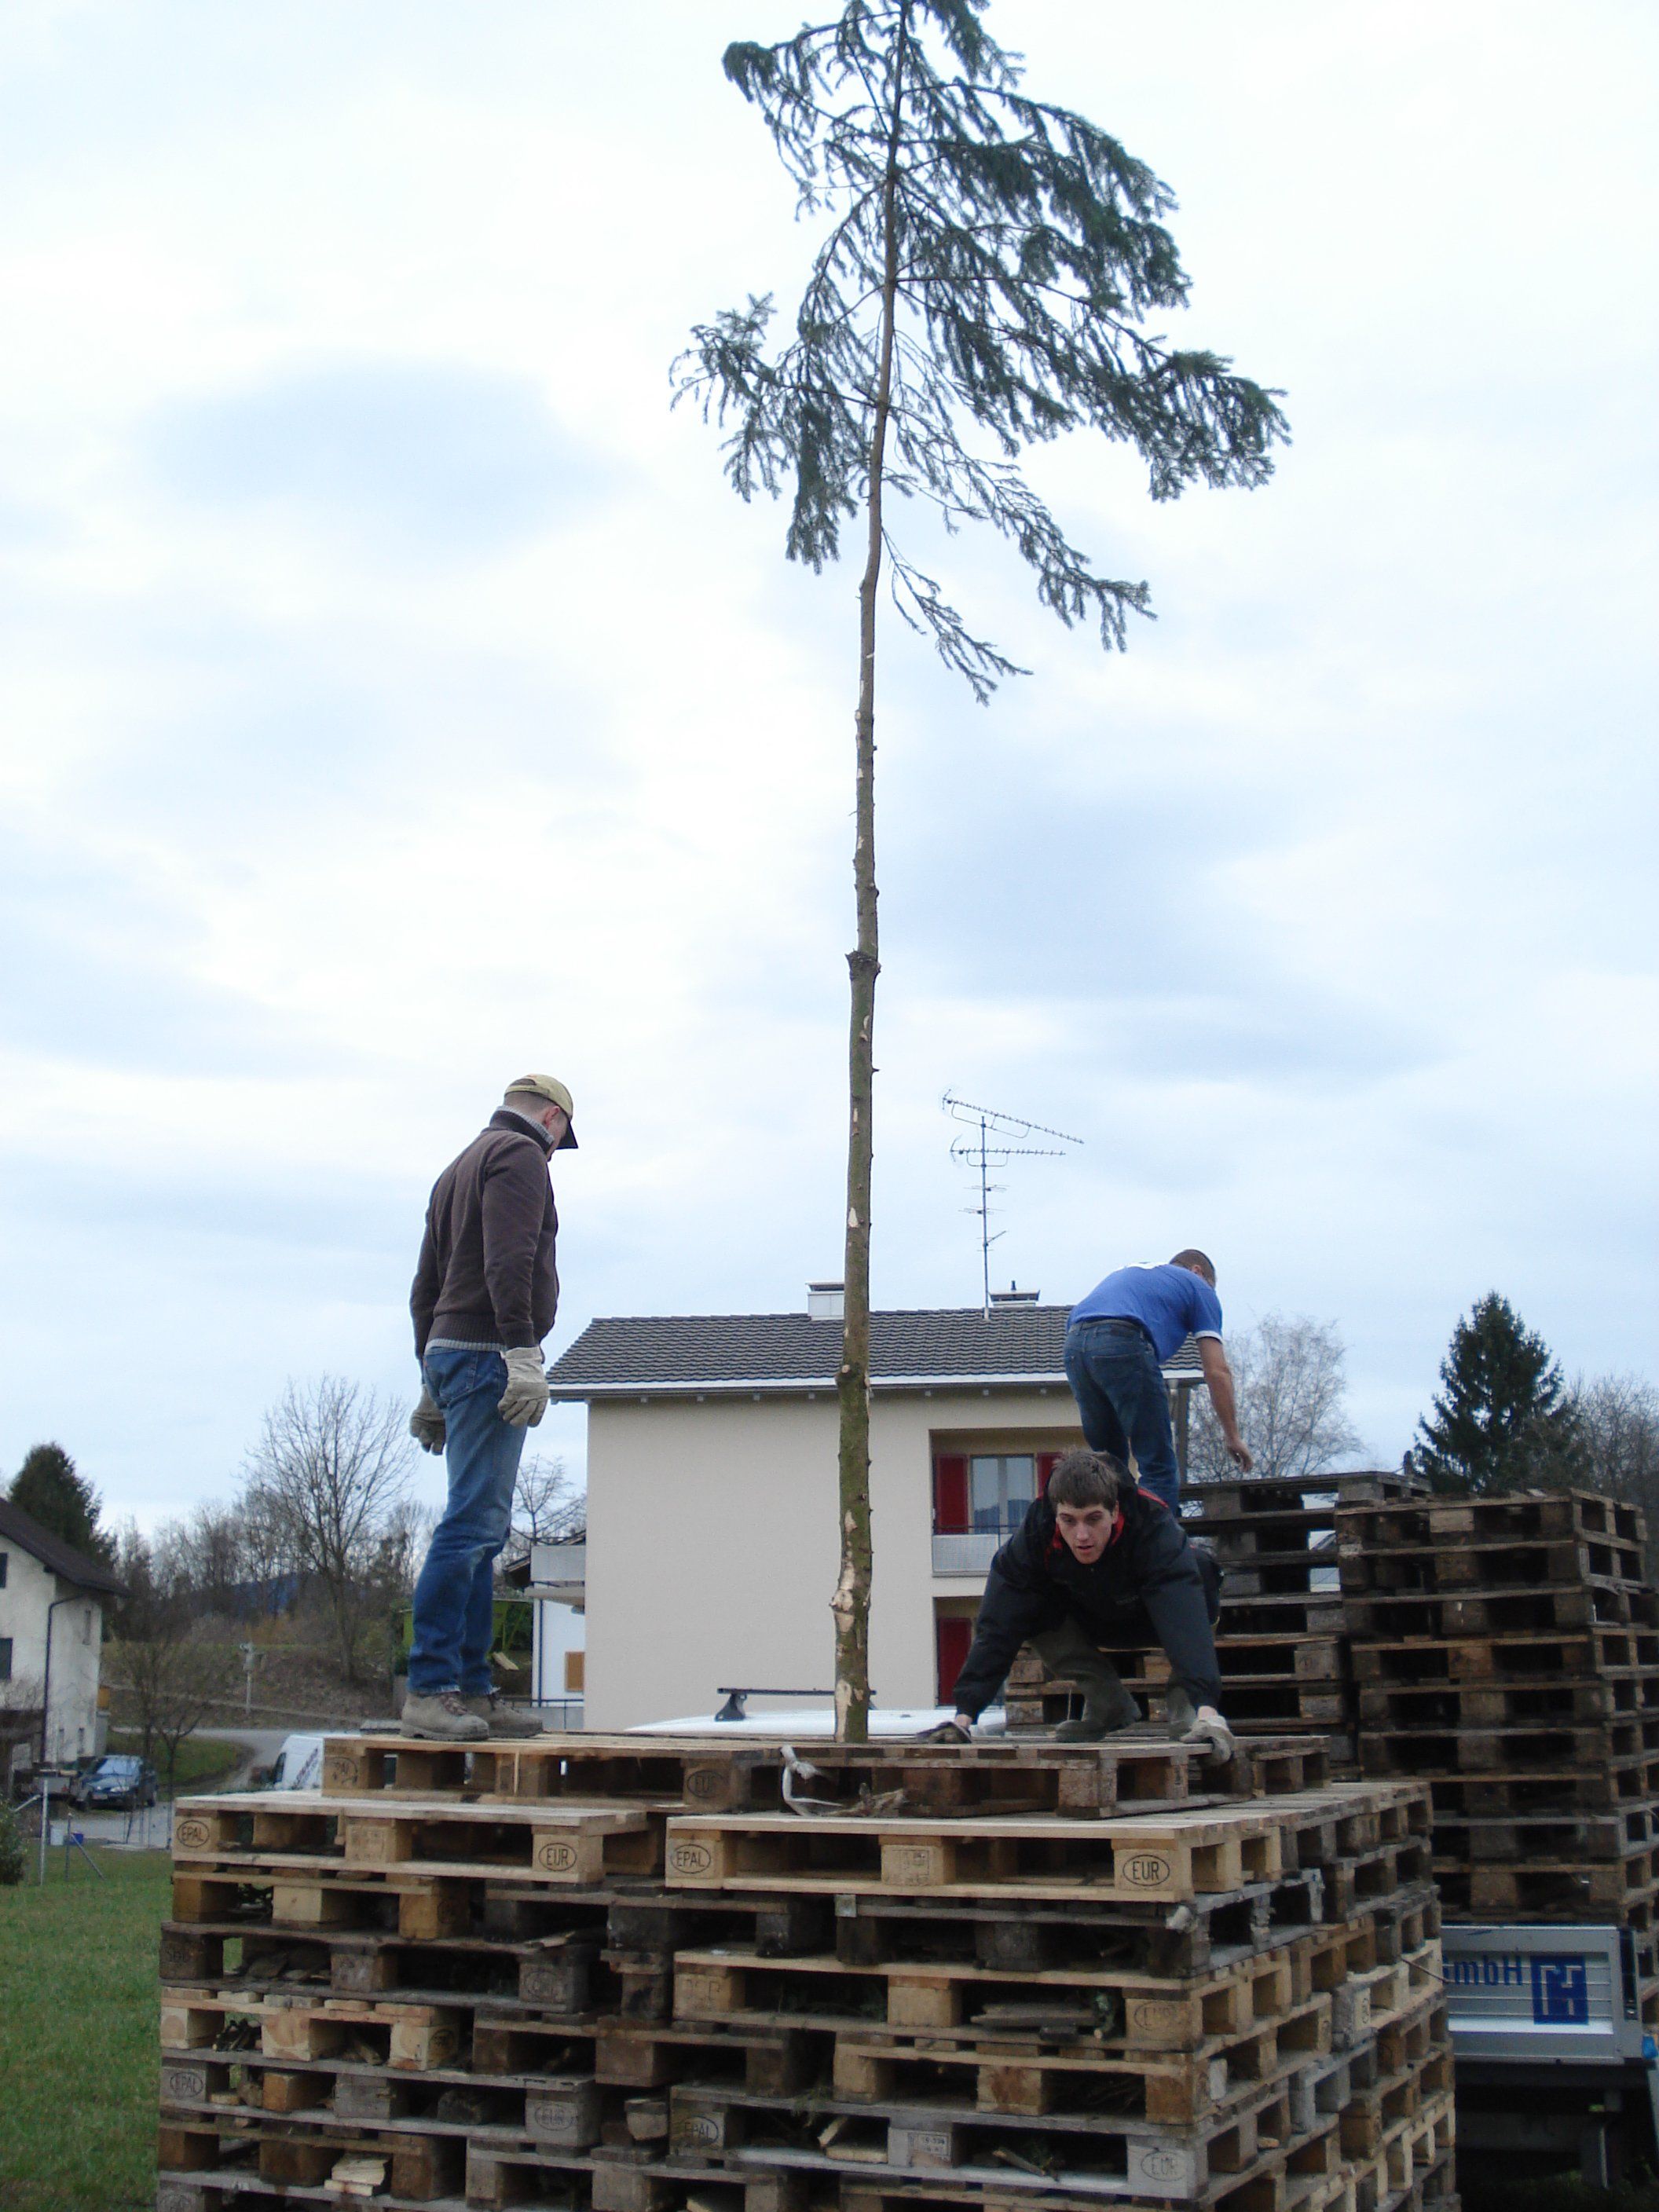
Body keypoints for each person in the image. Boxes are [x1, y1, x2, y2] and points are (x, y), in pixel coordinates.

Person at [401, 1075, 577, 1742]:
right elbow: (512, 1260)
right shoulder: (521, 1156)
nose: (556, 1152)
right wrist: (522, 1351)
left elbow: (425, 1285)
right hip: (488, 1355)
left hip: (453, 1352)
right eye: (561, 1139)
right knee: (472, 1527)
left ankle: (470, 1689)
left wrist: (428, 1374)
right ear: (552, 1119)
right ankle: (431, 1689)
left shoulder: (458, 1167)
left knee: (480, 1528)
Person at [930, 1448, 1234, 1756]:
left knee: (1201, 1569)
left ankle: (1190, 1712)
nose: (1082, 1535)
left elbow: (1184, 1615)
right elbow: (997, 1624)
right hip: (1090, 1620)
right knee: (1025, 1604)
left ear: (1114, 1511)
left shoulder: (1152, 1524)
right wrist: (964, 1717)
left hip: (1154, 1617)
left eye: (1093, 1519)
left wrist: (1208, 1711)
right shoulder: (1035, 1534)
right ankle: (1107, 1703)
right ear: (1055, 1514)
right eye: (1069, 1521)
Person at [1064, 1250, 1252, 1510]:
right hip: (1122, 1339)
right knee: (1157, 1464)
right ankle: (1159, 1535)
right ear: (1198, 1271)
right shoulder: (1199, 1285)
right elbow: (1217, 1371)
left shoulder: (1137, 1273)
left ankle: (1117, 1531)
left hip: (1074, 1346)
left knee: (1108, 1466)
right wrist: (1232, 1436)